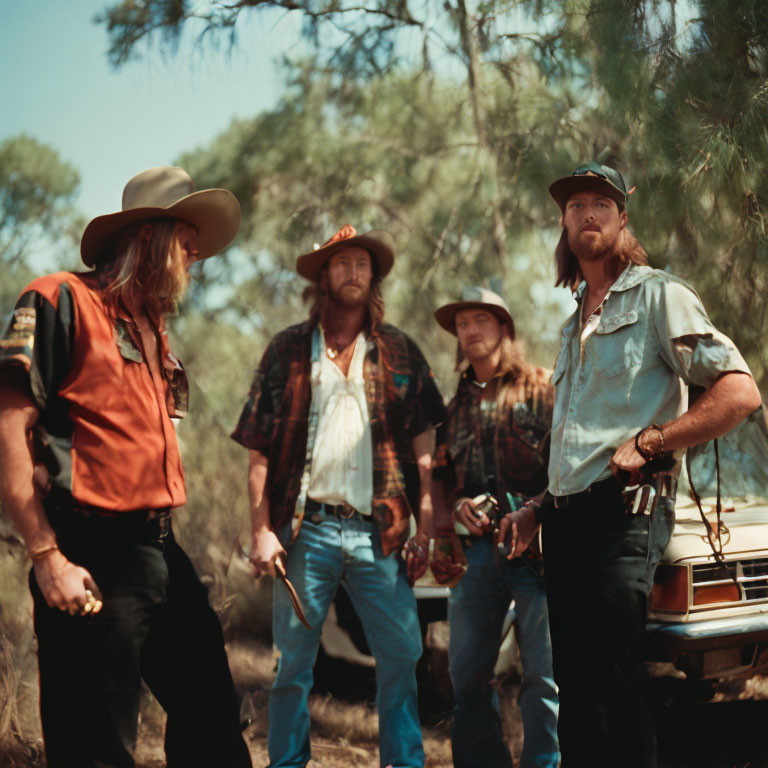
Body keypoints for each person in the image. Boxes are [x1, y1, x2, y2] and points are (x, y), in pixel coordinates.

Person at [500, 161, 762, 767]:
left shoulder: (658, 296)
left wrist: (653, 442)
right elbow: (578, 447)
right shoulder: (572, 330)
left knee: (617, 687)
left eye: (600, 203)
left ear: (622, 219)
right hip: (564, 525)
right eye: (574, 207)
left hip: (625, 517)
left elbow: (739, 392)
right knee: (578, 694)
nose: (586, 214)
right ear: (564, 226)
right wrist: (539, 508)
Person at [0, 166, 252, 768]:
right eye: (186, 237)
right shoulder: (59, 299)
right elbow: (9, 429)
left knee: (212, 715)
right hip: (89, 551)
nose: (197, 253)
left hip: (160, 548)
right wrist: (46, 558)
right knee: (95, 743)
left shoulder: (152, 327)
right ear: (147, 236)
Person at [231, 224, 446, 768]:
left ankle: (404, 762)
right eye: (341, 262)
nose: (352, 271)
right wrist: (260, 530)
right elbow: (257, 452)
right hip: (308, 531)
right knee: (292, 664)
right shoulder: (286, 351)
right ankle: (287, 763)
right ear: (323, 275)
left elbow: (426, 453)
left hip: (381, 531)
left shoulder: (399, 351)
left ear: (373, 277)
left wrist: (425, 528)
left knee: (402, 655)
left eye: (362, 264)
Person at [432, 286, 559, 768]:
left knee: (543, 676)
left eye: (481, 320)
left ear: (504, 328)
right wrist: (458, 504)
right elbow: (442, 476)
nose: (470, 331)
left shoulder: (543, 386)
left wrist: (536, 512)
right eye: (462, 323)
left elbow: (567, 464)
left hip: (537, 551)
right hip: (478, 553)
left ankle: (543, 763)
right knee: (465, 675)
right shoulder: (455, 405)